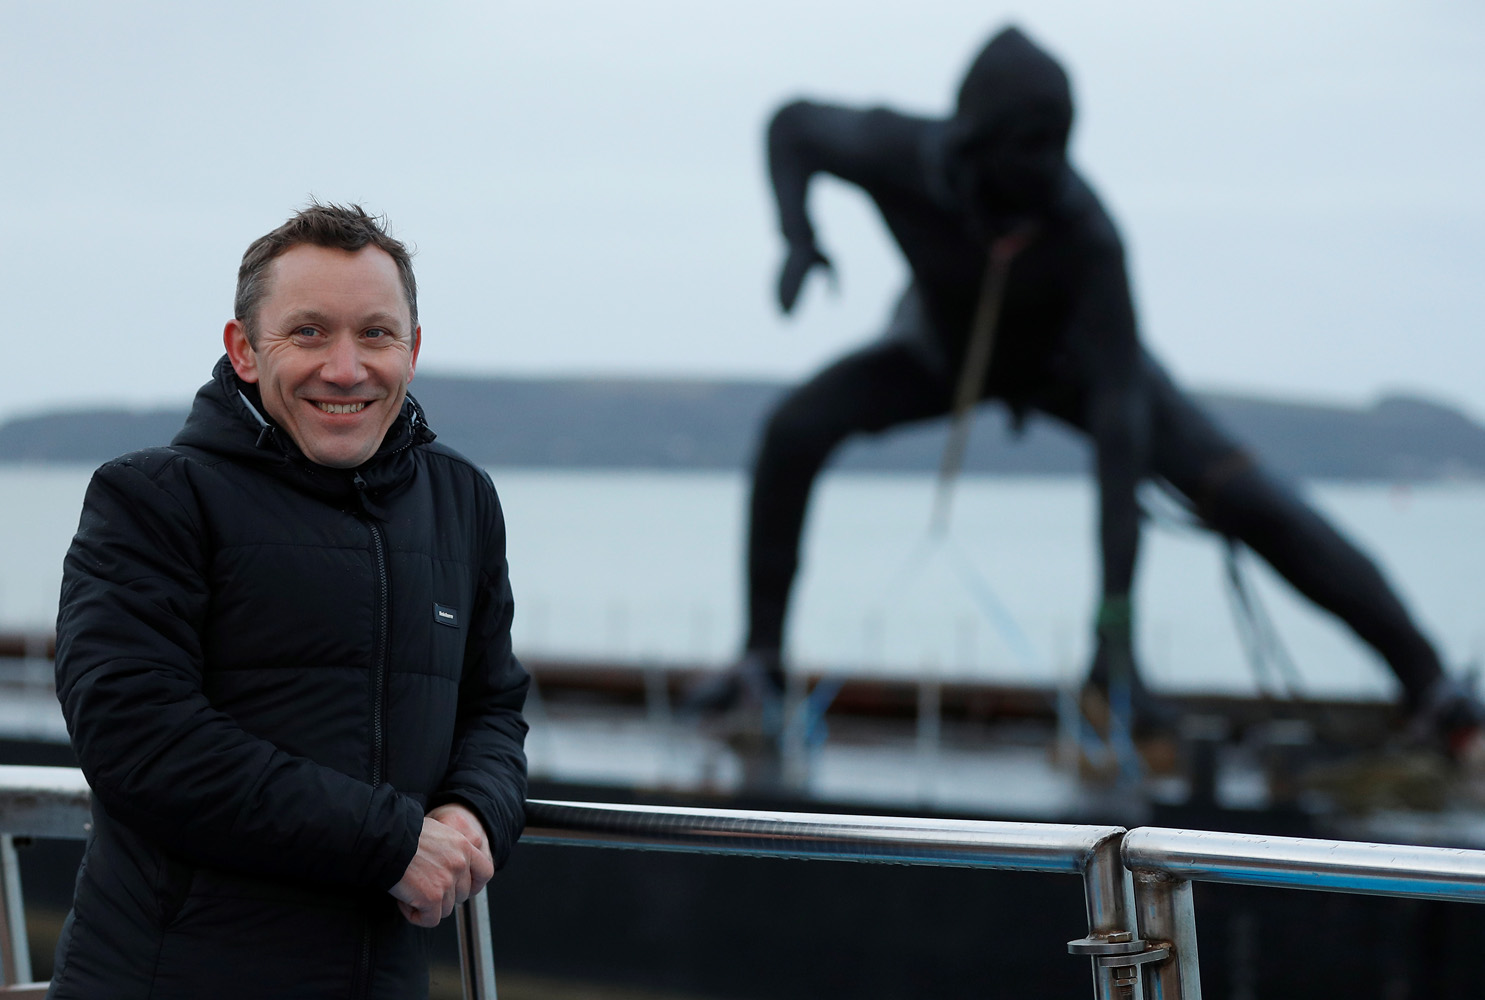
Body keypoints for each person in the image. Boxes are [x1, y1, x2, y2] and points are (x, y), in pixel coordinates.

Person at [696, 26, 1483, 756]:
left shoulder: (1088, 237)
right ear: (973, 147)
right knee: (791, 430)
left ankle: (1428, 682)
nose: (1040, 179)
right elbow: (789, 125)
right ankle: (759, 661)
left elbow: (1120, 444)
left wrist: (1114, 630)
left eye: (1053, 157)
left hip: (1075, 365)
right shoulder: (899, 152)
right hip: (940, 348)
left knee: (1244, 494)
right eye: (1021, 160)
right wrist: (798, 238)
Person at [49, 203, 530, 999]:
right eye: (308, 332)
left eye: (375, 334)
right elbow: (134, 733)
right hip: (168, 977)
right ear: (243, 350)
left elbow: (494, 707)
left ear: (412, 350)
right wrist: (391, 843)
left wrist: (474, 815)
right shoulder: (154, 498)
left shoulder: (461, 500)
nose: (345, 368)